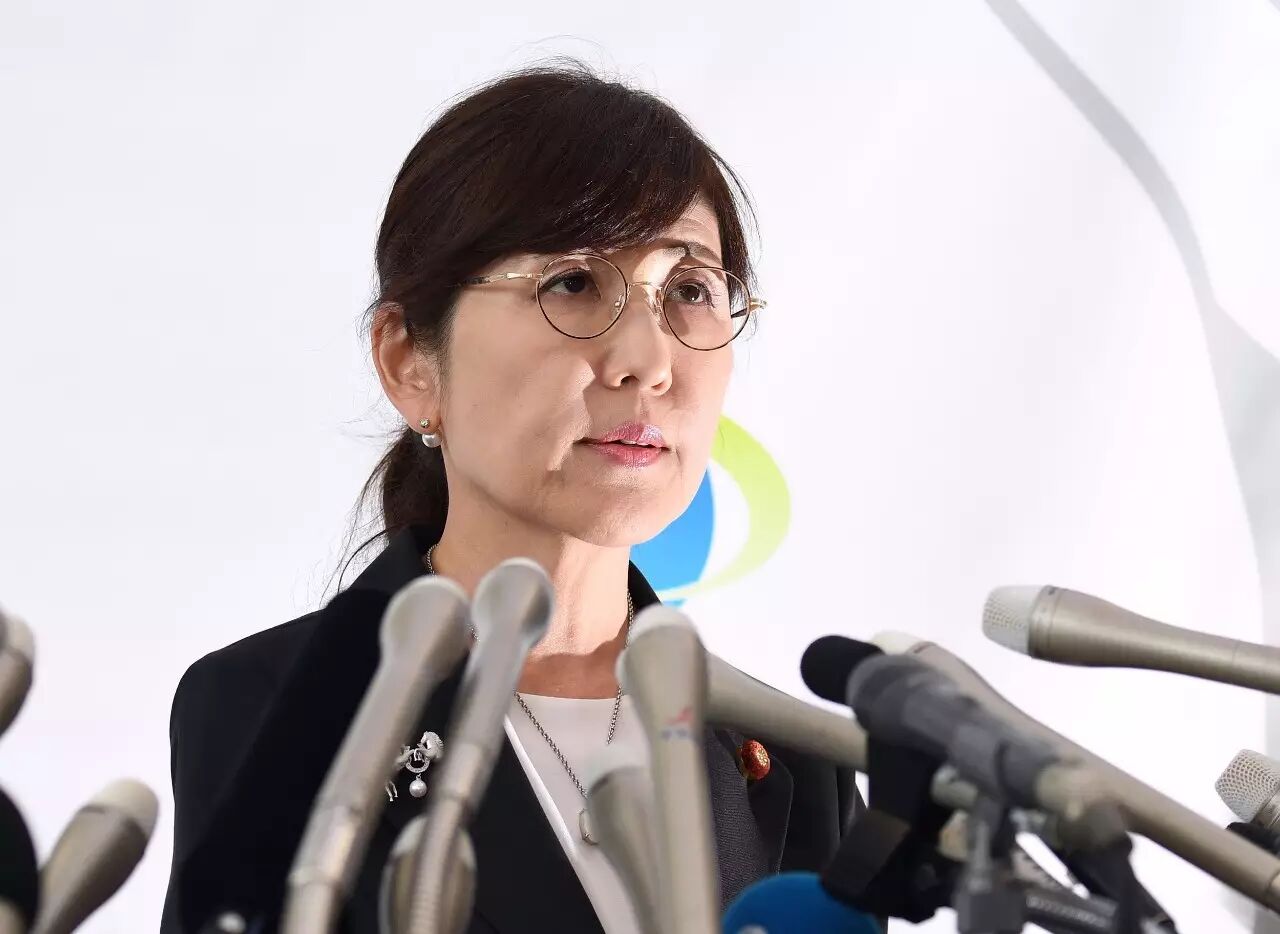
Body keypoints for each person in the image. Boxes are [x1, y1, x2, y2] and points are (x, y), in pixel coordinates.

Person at [161, 62, 860, 933]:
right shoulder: (276, 711)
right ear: (409, 362)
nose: (647, 360)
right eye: (573, 282)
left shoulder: (794, 756)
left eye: (690, 291)